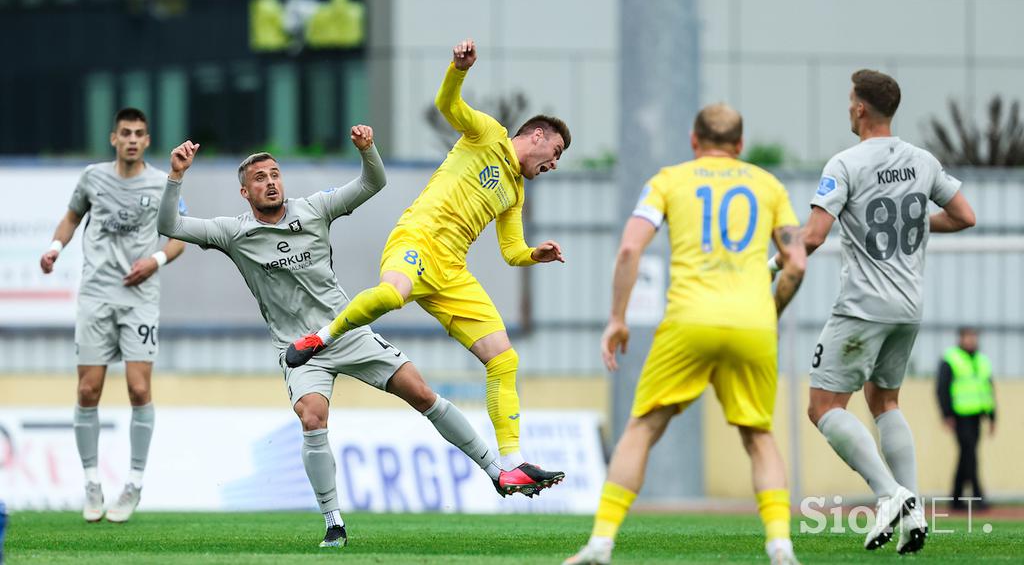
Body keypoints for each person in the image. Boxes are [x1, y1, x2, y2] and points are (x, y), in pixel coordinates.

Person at [159, 126, 526, 549]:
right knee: (312, 417)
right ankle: (333, 521)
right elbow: (168, 223)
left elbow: (373, 183)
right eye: (259, 178)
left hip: (346, 332)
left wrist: (368, 150)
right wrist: (176, 175)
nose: (271, 182)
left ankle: (497, 472)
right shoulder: (232, 232)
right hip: (300, 349)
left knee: (422, 393)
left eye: (275, 173)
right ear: (245, 193)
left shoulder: (314, 209)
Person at [285, 39, 567, 493]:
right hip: (417, 239)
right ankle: (321, 337)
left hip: (451, 271)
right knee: (393, 294)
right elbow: (447, 103)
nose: (554, 162)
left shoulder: (515, 193)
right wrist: (458, 69)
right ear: (535, 136)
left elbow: (511, 251)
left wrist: (536, 253)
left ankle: (511, 462)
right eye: (555, 151)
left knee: (504, 359)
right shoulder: (487, 134)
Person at [565, 103, 808, 565]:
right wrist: (768, 311)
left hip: (688, 322)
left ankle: (601, 543)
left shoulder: (670, 180)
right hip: (753, 325)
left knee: (642, 428)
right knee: (758, 434)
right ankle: (780, 546)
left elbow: (629, 248)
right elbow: (796, 263)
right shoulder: (768, 185)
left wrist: (617, 318)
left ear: (694, 142)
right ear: (740, 145)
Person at [797, 70, 976, 555]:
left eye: (849, 101)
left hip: (862, 306)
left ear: (859, 109)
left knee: (823, 408)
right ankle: (913, 507)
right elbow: (965, 216)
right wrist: (916, 221)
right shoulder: (922, 161)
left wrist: (779, 255)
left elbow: (812, 237)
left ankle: (889, 494)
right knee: (884, 402)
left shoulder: (846, 162)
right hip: (908, 307)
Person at [39, 107, 187, 523]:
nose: (133, 139)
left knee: (139, 390)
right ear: (114, 138)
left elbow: (180, 237)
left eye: (140, 133)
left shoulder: (161, 183)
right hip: (95, 295)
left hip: (139, 297)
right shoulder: (93, 178)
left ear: (147, 140)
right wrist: (54, 248)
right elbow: (71, 218)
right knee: (88, 390)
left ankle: (134, 483)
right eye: (126, 133)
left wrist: (154, 260)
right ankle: (91, 483)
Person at [937, 326, 995, 510]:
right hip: (959, 415)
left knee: (966, 455)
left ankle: (955, 499)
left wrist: (993, 417)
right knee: (970, 454)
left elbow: (989, 389)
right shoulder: (951, 358)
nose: (970, 340)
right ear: (960, 339)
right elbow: (942, 388)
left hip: (977, 415)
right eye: (967, 337)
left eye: (973, 337)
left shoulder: (982, 360)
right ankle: (978, 496)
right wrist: (946, 414)